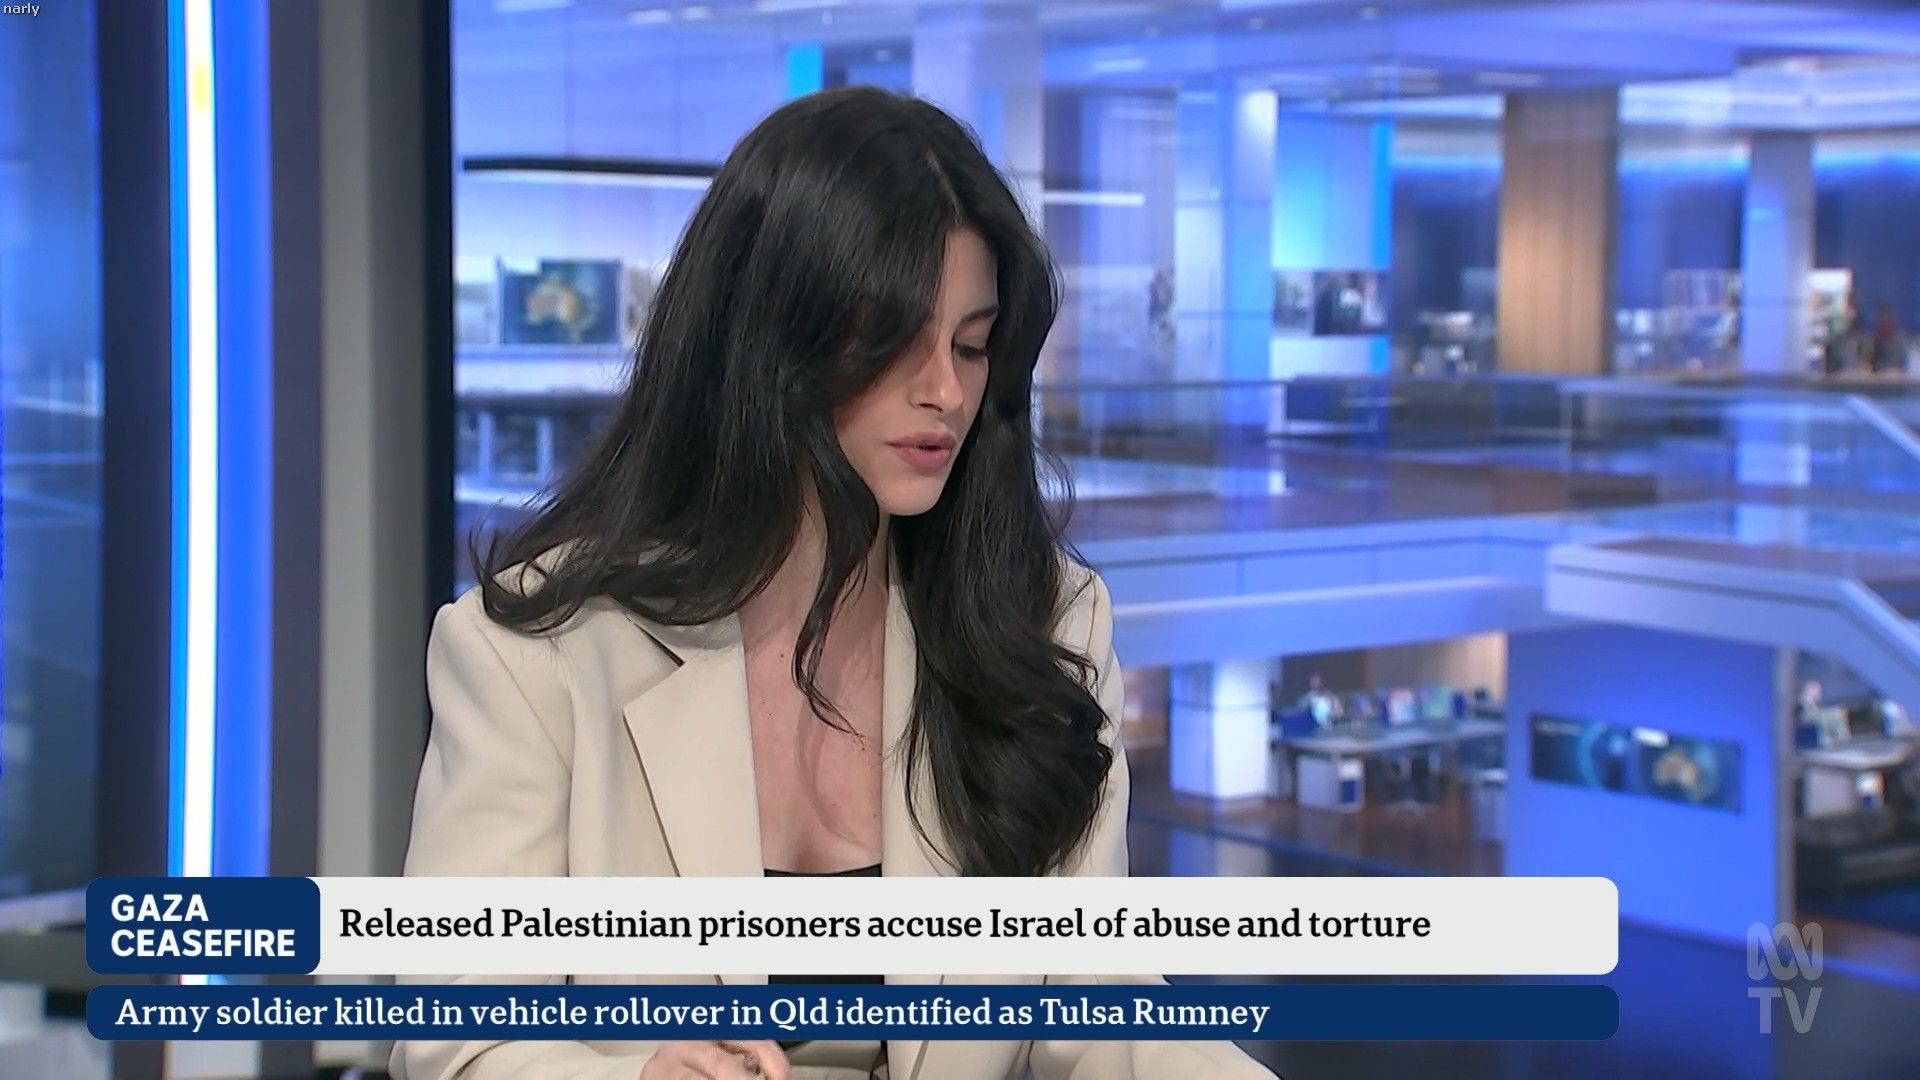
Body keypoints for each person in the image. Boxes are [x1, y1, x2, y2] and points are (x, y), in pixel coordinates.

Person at [392, 87, 1271, 1080]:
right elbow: (456, 1040)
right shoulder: (535, 659)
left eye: (971, 345)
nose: (945, 389)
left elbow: (1103, 1007)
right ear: (769, 338)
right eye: (894, 340)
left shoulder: (1044, 625)